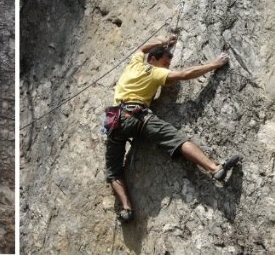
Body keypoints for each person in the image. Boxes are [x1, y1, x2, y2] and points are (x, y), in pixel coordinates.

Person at [104, 34, 242, 222]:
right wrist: (215, 64)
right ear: (153, 60)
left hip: (116, 122)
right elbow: (185, 74)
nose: (167, 69)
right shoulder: (154, 72)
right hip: (138, 117)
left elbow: (141, 49)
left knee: (113, 172)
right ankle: (214, 168)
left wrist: (163, 42)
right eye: (165, 64)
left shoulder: (134, 64)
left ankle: (127, 209)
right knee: (177, 139)